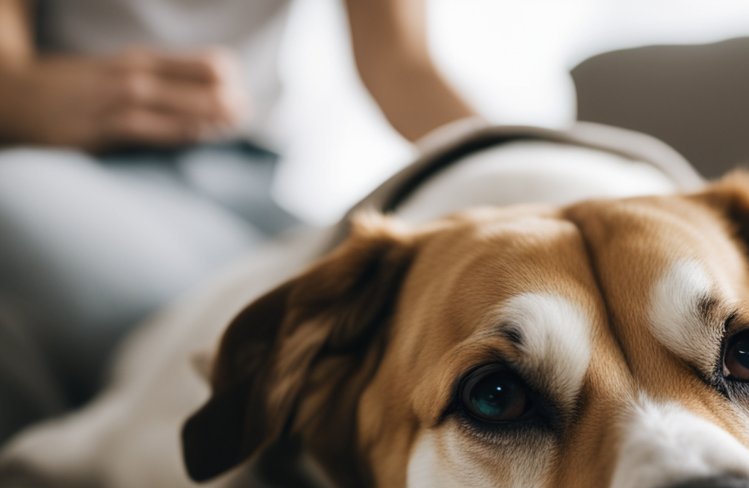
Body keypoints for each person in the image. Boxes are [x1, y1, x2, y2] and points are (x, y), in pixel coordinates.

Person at [0, 0, 475, 441]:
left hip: (246, 187)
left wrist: (524, 153)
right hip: (69, 166)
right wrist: (50, 95)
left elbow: (401, 66)